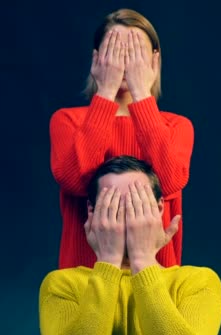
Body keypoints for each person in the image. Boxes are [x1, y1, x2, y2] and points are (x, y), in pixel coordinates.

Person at [50, 8, 194, 269]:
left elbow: (170, 181)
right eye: (115, 51)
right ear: (97, 60)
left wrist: (142, 94)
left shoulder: (176, 126)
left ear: (154, 62)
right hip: (85, 276)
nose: (125, 61)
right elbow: (75, 181)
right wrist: (105, 92)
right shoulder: (68, 120)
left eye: (136, 52)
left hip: (155, 276)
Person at [39, 156, 221, 335]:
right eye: (112, 207)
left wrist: (143, 261)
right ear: (92, 211)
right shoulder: (61, 285)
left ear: (159, 209)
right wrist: (109, 261)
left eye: (138, 206)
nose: (127, 220)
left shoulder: (198, 282)